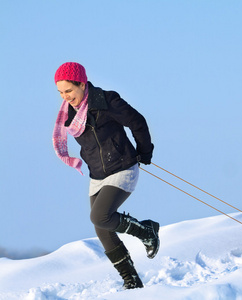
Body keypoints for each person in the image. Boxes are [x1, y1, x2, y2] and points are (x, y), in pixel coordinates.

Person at [52, 62, 159, 289]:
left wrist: (145, 151)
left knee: (100, 217)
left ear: (81, 83)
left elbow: (137, 121)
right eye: (60, 92)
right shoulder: (68, 113)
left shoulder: (106, 101)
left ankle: (146, 231)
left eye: (68, 90)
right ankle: (132, 282)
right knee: (102, 228)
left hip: (123, 168)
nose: (65, 96)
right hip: (98, 174)